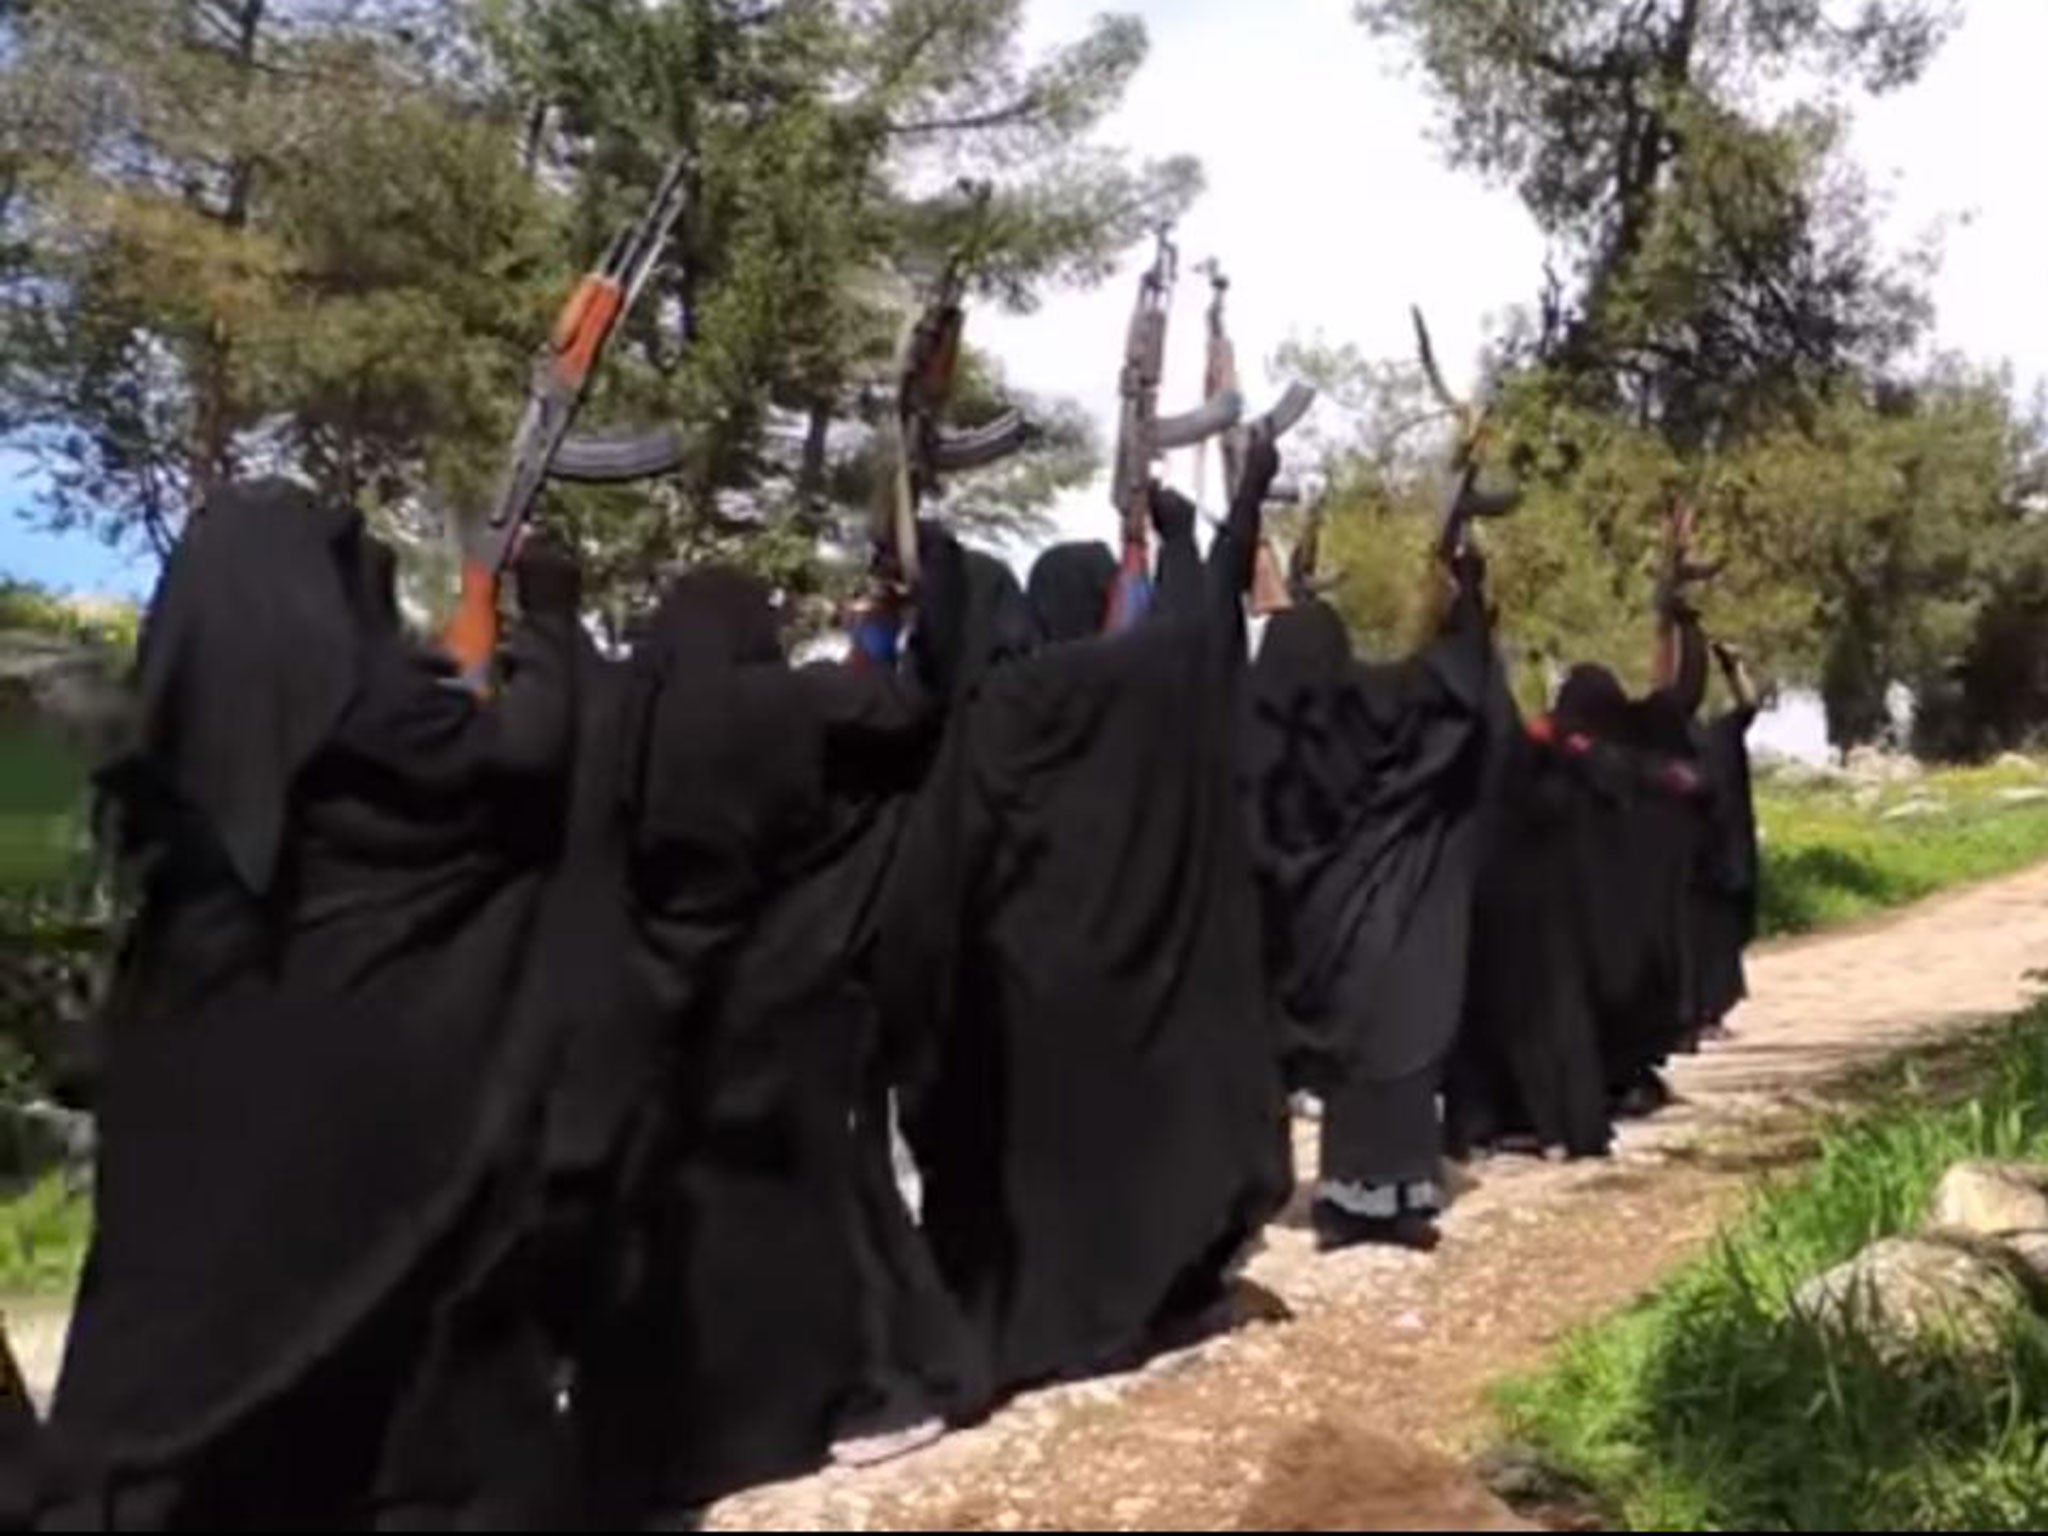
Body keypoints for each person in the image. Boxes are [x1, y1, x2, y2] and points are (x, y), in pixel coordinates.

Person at [41, 482, 580, 1530]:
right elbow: (528, 760)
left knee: (182, 1359)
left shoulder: (166, 743)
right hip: (356, 1127)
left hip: (185, 1110)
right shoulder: (373, 712)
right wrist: (544, 626)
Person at [879, 439, 1292, 1399]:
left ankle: (1034, 1324)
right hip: (1124, 996)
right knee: (1122, 1150)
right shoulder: (1127, 694)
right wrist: (1218, 520)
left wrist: (917, 533)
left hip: (1024, 995)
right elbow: (1199, 638)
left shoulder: (995, 713)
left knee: (1035, 1165)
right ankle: (1134, 1301)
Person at [586, 551, 968, 1521]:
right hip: (777, 983)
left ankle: (670, 1433)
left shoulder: (618, 711)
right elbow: (907, 713)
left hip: (643, 996)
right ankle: (811, 1405)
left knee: (672, 1217)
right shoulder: (791, 707)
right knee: (798, 1209)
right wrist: (902, 610)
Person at [1245, 547, 1499, 1252]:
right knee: (1400, 1049)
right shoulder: (1376, 709)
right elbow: (1451, 690)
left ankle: (1351, 1198)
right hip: (1394, 901)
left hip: (1322, 922)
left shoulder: (1275, 737)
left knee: (1361, 1061)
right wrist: (1466, 605)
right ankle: (1390, 1198)